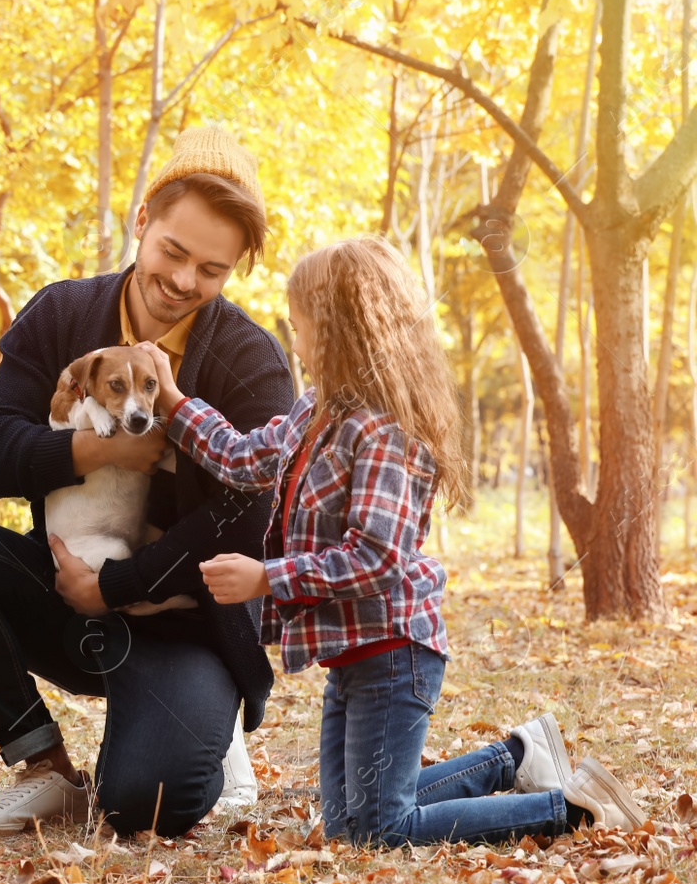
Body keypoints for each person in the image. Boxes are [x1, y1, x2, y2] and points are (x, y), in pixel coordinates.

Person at [157, 236, 647, 845]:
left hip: (394, 652)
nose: (294, 337)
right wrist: (172, 401)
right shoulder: (317, 413)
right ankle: (513, 758)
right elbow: (241, 457)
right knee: (349, 824)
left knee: (377, 830)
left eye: (301, 324)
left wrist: (267, 578)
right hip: (355, 655)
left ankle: (575, 810)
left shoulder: (386, 431)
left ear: (339, 331)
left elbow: (378, 556)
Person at [0, 126, 296, 837]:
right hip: (65, 589)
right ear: (141, 221)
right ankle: (43, 765)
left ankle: (209, 729)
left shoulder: (250, 358)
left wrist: (119, 585)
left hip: (182, 621)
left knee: (148, 803)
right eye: (172, 251)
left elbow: (245, 518)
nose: (182, 281)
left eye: (211, 269)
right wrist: (96, 450)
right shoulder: (62, 313)